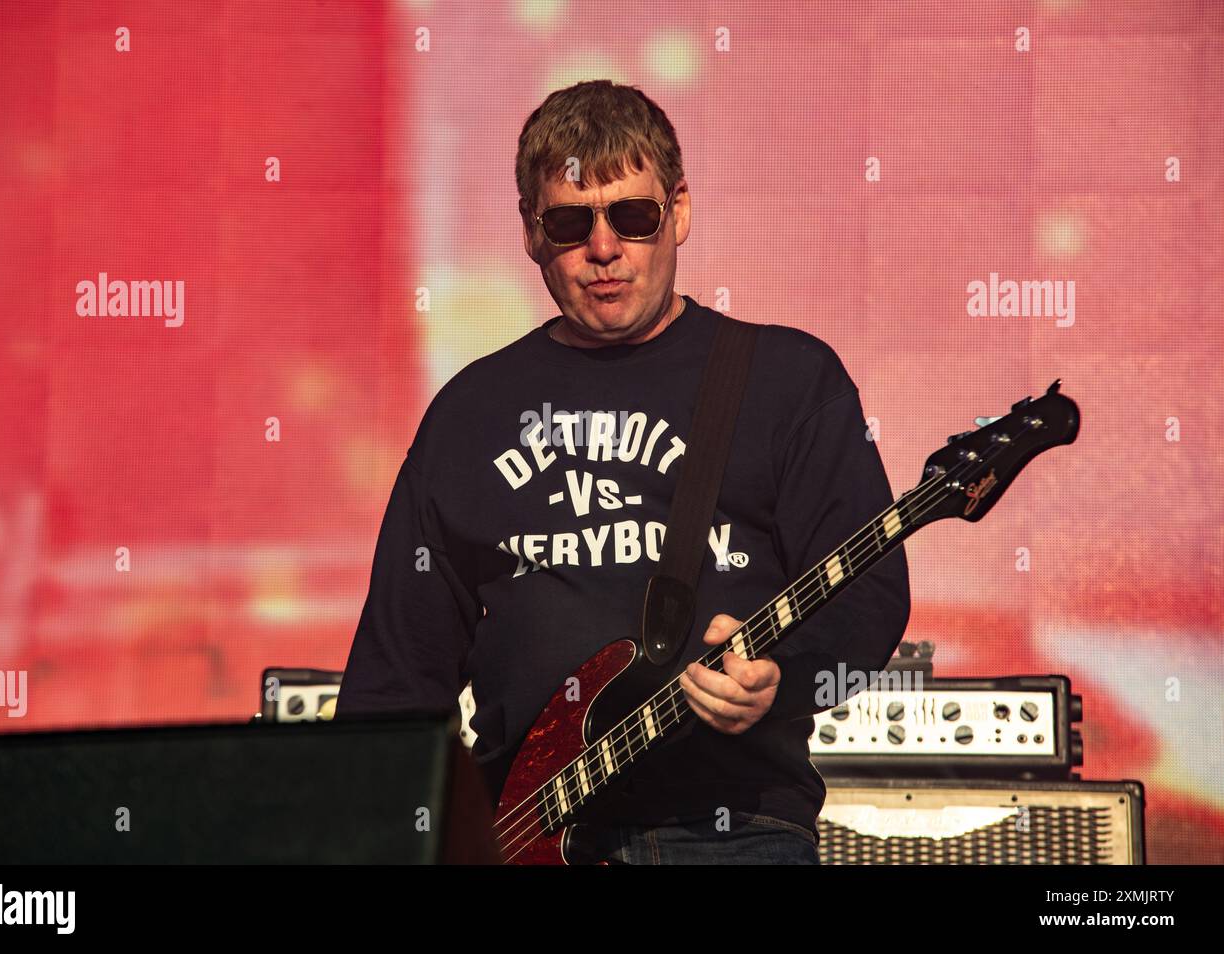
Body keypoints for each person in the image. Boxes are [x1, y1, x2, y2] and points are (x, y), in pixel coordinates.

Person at [336, 80, 910, 865]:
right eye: (570, 224)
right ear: (531, 234)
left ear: (678, 211)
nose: (603, 249)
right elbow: (395, 683)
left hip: (735, 828)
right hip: (521, 838)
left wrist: (784, 672)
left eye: (632, 216)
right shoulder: (470, 413)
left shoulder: (784, 379)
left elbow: (868, 589)